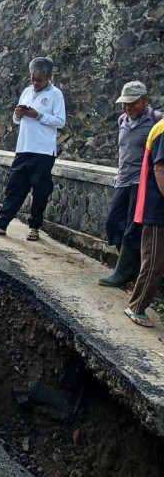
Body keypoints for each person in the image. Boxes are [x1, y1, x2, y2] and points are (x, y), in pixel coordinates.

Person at [0, 57, 66, 241]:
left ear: (49, 77)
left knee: (40, 191)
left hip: (43, 151)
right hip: (23, 148)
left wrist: (38, 115)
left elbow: (60, 121)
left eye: (39, 80)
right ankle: (1, 224)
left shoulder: (55, 94)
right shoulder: (27, 91)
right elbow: (16, 120)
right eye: (33, 79)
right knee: (14, 187)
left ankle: (34, 227)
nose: (35, 83)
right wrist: (18, 115)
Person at [99, 82, 162, 286]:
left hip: (142, 182)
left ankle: (122, 273)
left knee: (133, 226)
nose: (128, 107)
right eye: (124, 103)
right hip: (123, 180)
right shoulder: (122, 120)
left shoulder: (157, 120)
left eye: (133, 103)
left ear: (146, 100)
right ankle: (131, 267)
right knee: (113, 223)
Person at [124, 118, 164, 327]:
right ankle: (136, 307)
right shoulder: (162, 130)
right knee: (154, 262)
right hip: (157, 209)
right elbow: (160, 168)